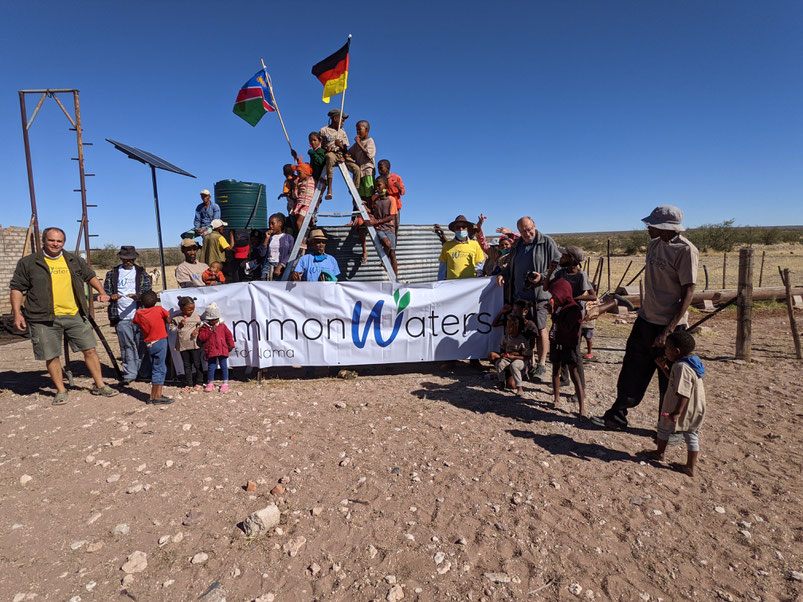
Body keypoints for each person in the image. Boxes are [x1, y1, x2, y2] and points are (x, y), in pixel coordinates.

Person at [591, 206, 699, 431]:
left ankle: (669, 429)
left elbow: (688, 292)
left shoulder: (686, 250)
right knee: (632, 369)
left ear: (665, 227)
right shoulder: (654, 245)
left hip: (671, 327)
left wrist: (668, 330)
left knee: (668, 380)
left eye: (652, 224)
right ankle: (616, 417)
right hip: (646, 320)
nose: (648, 227)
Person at [9, 227, 118, 404]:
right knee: (51, 354)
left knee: (89, 349)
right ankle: (61, 390)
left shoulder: (72, 259)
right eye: (51, 240)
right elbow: (17, 288)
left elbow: (89, 276)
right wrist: (17, 314)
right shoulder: (28, 263)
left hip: (74, 313)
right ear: (43, 241)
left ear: (63, 243)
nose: (55, 244)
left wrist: (102, 291)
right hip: (42, 317)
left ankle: (100, 385)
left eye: (59, 241)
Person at [496, 216, 561, 380]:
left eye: (529, 229)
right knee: (524, 330)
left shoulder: (546, 242)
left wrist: (543, 276)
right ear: (518, 231)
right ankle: (528, 362)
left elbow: (559, 264)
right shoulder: (517, 245)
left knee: (540, 328)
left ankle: (542, 364)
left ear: (534, 225)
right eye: (523, 231)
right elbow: (511, 265)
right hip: (520, 295)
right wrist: (504, 275)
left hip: (540, 294)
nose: (527, 233)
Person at [642, 331, 706, 477]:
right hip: (696, 407)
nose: (665, 351)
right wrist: (663, 367)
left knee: (664, 427)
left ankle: (659, 452)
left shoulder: (681, 367)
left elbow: (683, 392)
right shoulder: (692, 362)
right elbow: (674, 378)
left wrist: (677, 411)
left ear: (676, 351)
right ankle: (690, 466)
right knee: (692, 434)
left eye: (667, 348)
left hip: (680, 406)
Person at [544, 245, 596, 388]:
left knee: (575, 353)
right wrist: (550, 272)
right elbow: (546, 287)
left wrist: (573, 298)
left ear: (571, 259)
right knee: (561, 346)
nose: (561, 258)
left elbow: (593, 296)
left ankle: (581, 388)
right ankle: (564, 379)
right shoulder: (561, 273)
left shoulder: (581, 275)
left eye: (564, 256)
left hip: (574, 317)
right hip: (560, 314)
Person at [103, 245, 152, 383]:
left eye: (131, 259)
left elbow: (148, 291)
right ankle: (130, 374)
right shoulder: (112, 273)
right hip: (120, 315)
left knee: (142, 344)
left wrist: (139, 297)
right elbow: (106, 290)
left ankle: (144, 372)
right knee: (126, 345)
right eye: (125, 259)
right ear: (121, 258)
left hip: (139, 314)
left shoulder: (141, 273)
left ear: (134, 259)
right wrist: (111, 296)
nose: (128, 261)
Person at [549, 279, 585, 417]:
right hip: (557, 342)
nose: (554, 298)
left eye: (556, 295)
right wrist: (553, 313)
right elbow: (556, 324)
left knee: (574, 374)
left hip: (569, 345)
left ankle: (582, 408)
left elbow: (567, 328)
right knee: (555, 370)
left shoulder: (573, 309)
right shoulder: (559, 306)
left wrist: (555, 317)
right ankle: (556, 398)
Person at [132, 290, 172, 404]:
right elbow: (168, 319)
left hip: (149, 343)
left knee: (155, 367)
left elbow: (135, 322)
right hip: (160, 341)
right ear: (155, 301)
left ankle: (154, 395)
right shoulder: (159, 310)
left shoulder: (139, 313)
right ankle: (156, 396)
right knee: (160, 368)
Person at [319, 109, 360, 200]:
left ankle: (354, 192)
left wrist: (341, 145)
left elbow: (346, 149)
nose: (343, 122)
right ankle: (329, 189)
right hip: (330, 153)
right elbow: (319, 146)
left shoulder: (342, 132)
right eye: (342, 120)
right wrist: (325, 149)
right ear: (335, 119)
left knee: (356, 169)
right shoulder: (324, 130)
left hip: (341, 155)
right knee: (330, 157)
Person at [488, 316, 530, 396]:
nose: (506, 329)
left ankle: (519, 387)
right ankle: (501, 382)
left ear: (515, 328)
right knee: (499, 363)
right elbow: (502, 349)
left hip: (520, 360)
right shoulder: (506, 338)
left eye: (508, 327)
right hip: (508, 358)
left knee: (514, 366)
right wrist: (503, 354)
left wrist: (514, 357)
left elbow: (527, 356)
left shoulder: (522, 341)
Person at [198, 302, 234, 392]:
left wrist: (231, 345)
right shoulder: (205, 327)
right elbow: (202, 337)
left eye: (215, 319)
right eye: (212, 320)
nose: (214, 322)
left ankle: (225, 383)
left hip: (222, 349)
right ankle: (210, 383)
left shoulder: (222, 326)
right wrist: (210, 331)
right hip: (211, 350)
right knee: (211, 366)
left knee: (224, 366)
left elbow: (228, 335)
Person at [438, 215, 486, 280]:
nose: (461, 229)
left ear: (467, 229)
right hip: (452, 285)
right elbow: (442, 269)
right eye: (458, 227)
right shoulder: (446, 246)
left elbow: (478, 266)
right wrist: (440, 283)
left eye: (463, 227)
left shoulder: (475, 244)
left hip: (471, 284)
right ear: (454, 229)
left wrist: (479, 280)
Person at [171, 296, 203, 392]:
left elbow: (201, 324)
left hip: (194, 344)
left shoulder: (196, 316)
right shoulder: (177, 318)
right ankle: (189, 383)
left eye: (193, 309)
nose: (191, 311)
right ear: (181, 308)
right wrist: (179, 326)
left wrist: (197, 329)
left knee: (197, 363)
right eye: (188, 310)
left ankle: (199, 382)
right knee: (187, 364)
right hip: (183, 345)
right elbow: (172, 331)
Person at [369, 177, 398, 275]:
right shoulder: (374, 198)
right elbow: (371, 210)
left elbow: (392, 216)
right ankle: (384, 261)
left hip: (389, 228)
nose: (377, 188)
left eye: (379, 185)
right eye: (376, 185)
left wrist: (377, 221)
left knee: (393, 254)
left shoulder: (391, 199)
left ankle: (395, 278)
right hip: (379, 228)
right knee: (387, 244)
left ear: (386, 185)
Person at [260, 213, 294, 280]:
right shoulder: (268, 237)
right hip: (268, 265)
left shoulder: (288, 238)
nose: (270, 226)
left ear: (280, 224)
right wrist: (266, 239)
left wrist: (281, 265)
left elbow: (290, 254)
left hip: (281, 266)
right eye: (269, 224)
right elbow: (262, 254)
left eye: (273, 223)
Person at [349, 120, 376, 199]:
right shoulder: (356, 144)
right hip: (360, 172)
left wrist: (359, 144)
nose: (357, 132)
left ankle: (370, 210)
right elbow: (350, 153)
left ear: (366, 130)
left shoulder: (370, 141)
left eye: (359, 129)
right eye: (356, 130)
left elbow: (369, 154)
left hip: (368, 172)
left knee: (369, 192)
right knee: (361, 195)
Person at [377, 159, 404, 236]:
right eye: (378, 168)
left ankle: (393, 247)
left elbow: (403, 192)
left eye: (381, 168)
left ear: (388, 168)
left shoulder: (396, 178)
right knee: (382, 227)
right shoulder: (380, 179)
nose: (379, 170)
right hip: (383, 207)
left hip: (395, 207)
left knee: (394, 228)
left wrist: (398, 187)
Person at [290, 162, 316, 236]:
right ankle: (303, 237)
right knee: (299, 223)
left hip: (307, 204)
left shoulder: (313, 180)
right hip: (300, 204)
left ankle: (302, 241)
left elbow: (319, 190)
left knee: (299, 222)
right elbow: (295, 196)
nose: (298, 175)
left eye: (299, 173)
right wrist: (295, 187)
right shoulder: (299, 183)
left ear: (306, 172)